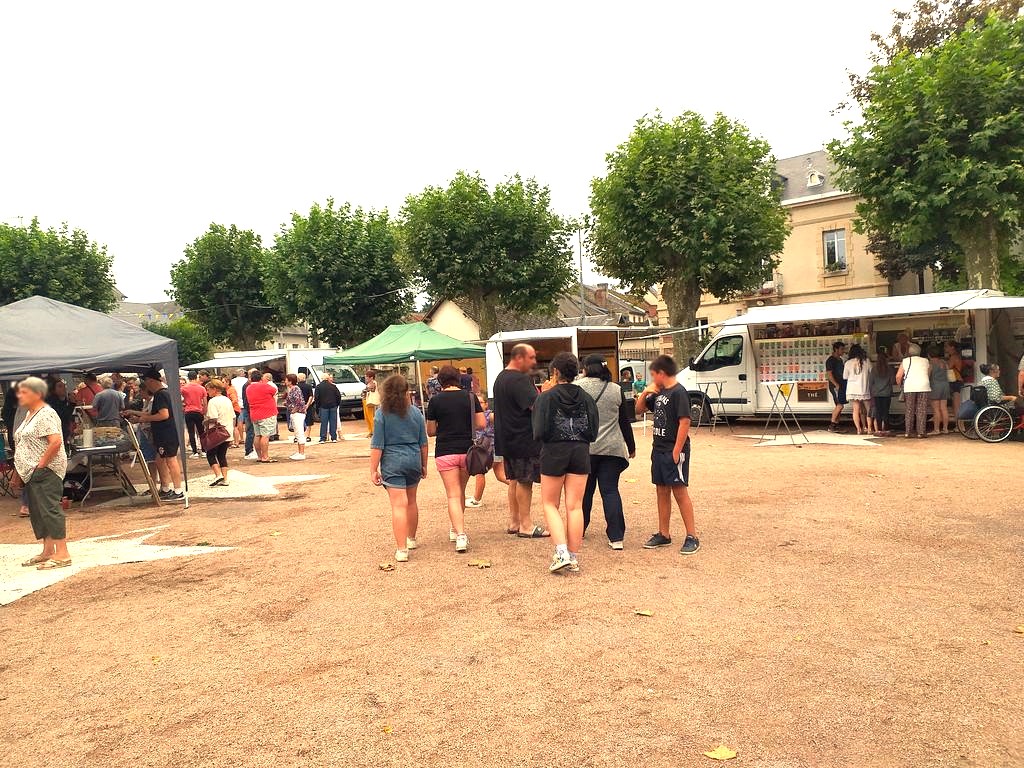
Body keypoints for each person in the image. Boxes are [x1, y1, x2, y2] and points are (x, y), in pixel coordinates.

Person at [532, 352, 599, 573]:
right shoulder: (587, 397)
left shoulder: (546, 397)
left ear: (556, 372)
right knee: (575, 505)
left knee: (550, 504)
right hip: (580, 450)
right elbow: (593, 429)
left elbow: (538, 429)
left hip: (554, 450)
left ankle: (560, 551)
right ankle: (573, 555)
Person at [636, 354, 699, 555]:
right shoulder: (659, 393)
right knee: (661, 490)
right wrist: (646, 391)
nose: (653, 379)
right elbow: (638, 410)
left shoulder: (679, 393)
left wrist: (677, 450)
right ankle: (664, 533)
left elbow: (685, 422)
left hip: (673, 449)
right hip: (659, 448)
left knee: (679, 491)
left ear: (662, 373)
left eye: (654, 375)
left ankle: (692, 535)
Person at [11, 377, 71, 570]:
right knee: (37, 512)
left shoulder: (46, 413)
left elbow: (55, 441)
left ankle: (62, 553)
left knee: (49, 509)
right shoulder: (29, 415)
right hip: (31, 471)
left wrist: (41, 465)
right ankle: (48, 550)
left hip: (45, 470)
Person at [578, 354, 636, 550]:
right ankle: (616, 537)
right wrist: (631, 446)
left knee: (585, 492)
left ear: (586, 367)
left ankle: (579, 530)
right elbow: (624, 421)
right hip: (612, 448)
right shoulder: (616, 389)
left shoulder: (578, 387)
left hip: (586, 448)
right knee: (610, 491)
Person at [425, 365, 485, 554]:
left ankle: (459, 534)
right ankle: (454, 528)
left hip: (445, 451)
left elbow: (431, 431)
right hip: (467, 450)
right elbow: (482, 423)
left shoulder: (435, 401)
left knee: (452, 493)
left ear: (440, 381)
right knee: (461, 491)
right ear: (458, 379)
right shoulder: (470, 397)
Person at [370, 374, 428, 563]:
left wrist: (373, 469)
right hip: (413, 459)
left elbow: (377, 445)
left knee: (398, 505)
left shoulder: (381, 414)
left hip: (393, 461)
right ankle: (411, 538)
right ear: (406, 392)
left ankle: (402, 549)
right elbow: (424, 443)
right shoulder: (416, 413)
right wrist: (424, 464)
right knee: (411, 501)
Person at [493, 343, 548, 538]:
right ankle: (526, 525)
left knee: (514, 480)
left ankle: (515, 521)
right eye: (531, 357)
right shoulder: (519, 380)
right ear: (519, 358)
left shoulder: (501, 377)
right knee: (526, 481)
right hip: (523, 438)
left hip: (507, 438)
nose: (534, 362)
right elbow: (536, 406)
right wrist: (547, 392)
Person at [123, 368, 184, 501]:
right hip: (165, 432)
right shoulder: (164, 394)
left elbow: (163, 415)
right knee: (160, 459)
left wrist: (143, 419)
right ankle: (165, 487)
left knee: (170, 459)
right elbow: (153, 413)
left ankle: (178, 490)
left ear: (151, 381)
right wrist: (137, 415)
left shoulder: (161, 395)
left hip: (167, 432)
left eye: (146, 382)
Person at [466, 395, 502, 508]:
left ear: (486, 404)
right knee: (500, 475)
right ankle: (517, 488)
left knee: (479, 472)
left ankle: (477, 499)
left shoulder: (489, 415)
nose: (479, 405)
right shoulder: (472, 417)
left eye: (481, 402)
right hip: (488, 450)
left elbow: (500, 418)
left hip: (490, 450)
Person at [896, 343, 931, 438]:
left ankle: (908, 432)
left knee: (909, 409)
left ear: (909, 352)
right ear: (919, 352)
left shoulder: (905, 361)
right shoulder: (926, 361)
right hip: (924, 386)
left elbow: (898, 376)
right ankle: (921, 432)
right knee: (922, 409)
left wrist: (900, 385)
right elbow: (928, 374)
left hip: (909, 386)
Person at [204, 379, 235, 486]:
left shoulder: (212, 401)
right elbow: (233, 416)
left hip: (216, 433)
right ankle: (225, 479)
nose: (207, 392)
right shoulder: (227, 400)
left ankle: (218, 475)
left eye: (208, 389)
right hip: (227, 431)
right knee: (222, 455)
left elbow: (213, 418)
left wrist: (205, 421)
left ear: (214, 389)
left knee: (210, 454)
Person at [245, 369, 279, 463]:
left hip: (254, 413)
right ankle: (265, 457)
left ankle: (260, 456)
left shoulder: (248, 388)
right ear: (260, 378)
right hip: (266, 413)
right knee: (265, 435)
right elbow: (274, 391)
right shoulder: (265, 386)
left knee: (257, 435)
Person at [843, 344, 871, 435]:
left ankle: (859, 429)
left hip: (853, 389)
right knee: (868, 410)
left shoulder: (848, 363)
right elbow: (872, 372)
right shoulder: (866, 361)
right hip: (864, 388)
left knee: (856, 410)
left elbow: (845, 377)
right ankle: (869, 429)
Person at [181, 371, 208, 459]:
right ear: (196, 377)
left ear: (188, 378)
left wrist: (183, 405)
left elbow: (179, 399)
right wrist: (205, 411)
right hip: (199, 411)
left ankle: (195, 451)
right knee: (201, 431)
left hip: (188, 411)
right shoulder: (202, 388)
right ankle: (204, 451)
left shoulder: (184, 388)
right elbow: (205, 402)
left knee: (191, 432)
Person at [868, 350, 894, 437]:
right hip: (887, 393)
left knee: (878, 412)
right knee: (886, 412)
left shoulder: (874, 369)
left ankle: (879, 430)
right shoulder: (889, 369)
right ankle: (886, 430)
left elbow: (870, 382)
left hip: (876, 394)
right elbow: (892, 381)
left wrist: (872, 391)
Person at [285, 374, 308, 461]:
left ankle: (301, 453)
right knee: (297, 433)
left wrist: (295, 409)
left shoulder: (295, 389)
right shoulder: (293, 389)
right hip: (296, 413)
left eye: (286, 380)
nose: (285, 381)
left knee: (299, 432)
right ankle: (299, 452)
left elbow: (299, 401)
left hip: (298, 413)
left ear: (290, 381)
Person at [928, 347, 951, 435]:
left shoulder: (931, 363)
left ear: (929, 355)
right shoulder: (944, 362)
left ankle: (936, 429)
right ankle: (945, 429)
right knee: (944, 408)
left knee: (936, 409)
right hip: (945, 385)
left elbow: (928, 375)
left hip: (935, 386)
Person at [826, 341, 847, 432]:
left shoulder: (840, 360)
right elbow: (829, 374)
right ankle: (832, 425)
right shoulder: (830, 360)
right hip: (835, 385)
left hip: (842, 384)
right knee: (840, 405)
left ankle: (836, 424)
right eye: (842, 349)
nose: (843, 351)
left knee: (839, 405)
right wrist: (836, 384)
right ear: (836, 349)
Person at [314, 372, 342, 443]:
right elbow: (338, 396)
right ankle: (334, 438)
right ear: (328, 378)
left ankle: (323, 438)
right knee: (333, 422)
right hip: (333, 406)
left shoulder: (318, 387)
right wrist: (337, 404)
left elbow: (316, 398)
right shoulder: (333, 386)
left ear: (322, 378)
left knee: (324, 422)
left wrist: (318, 407)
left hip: (323, 406)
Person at [46, 378, 75, 443]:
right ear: (53, 390)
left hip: (63, 433)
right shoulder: (51, 402)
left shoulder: (63, 401)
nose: (64, 388)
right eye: (60, 386)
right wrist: (72, 404)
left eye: (64, 386)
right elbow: (63, 415)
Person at [241, 369, 258, 459]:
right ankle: (249, 451)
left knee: (252, 431)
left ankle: (251, 450)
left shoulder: (248, 385)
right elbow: (246, 401)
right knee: (250, 431)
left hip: (250, 411)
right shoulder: (247, 385)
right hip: (249, 411)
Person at [946, 341, 965, 419]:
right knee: (955, 404)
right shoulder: (956, 356)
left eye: (946, 346)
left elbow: (948, 367)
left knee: (956, 405)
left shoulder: (953, 357)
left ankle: (959, 425)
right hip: (957, 381)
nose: (945, 348)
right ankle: (959, 425)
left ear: (952, 347)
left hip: (956, 381)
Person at [231, 369, 248, 448]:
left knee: (239, 421)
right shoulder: (247, 380)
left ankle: (241, 438)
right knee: (247, 420)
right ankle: (247, 437)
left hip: (237, 403)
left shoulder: (233, 381)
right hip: (246, 402)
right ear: (243, 374)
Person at [296, 372, 315, 442]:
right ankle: (308, 436)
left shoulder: (296, 387)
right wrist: (307, 404)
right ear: (305, 378)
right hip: (308, 406)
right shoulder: (309, 386)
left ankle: (297, 436)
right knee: (308, 421)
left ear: (298, 379)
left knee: (298, 422)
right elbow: (311, 396)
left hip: (298, 407)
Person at [363, 370, 379, 438]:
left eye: (367, 377)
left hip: (370, 401)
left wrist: (366, 389)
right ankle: (371, 431)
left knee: (371, 417)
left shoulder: (373, 383)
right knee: (367, 417)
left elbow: (372, 389)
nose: (366, 378)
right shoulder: (368, 383)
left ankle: (373, 431)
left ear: (371, 377)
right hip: (366, 400)